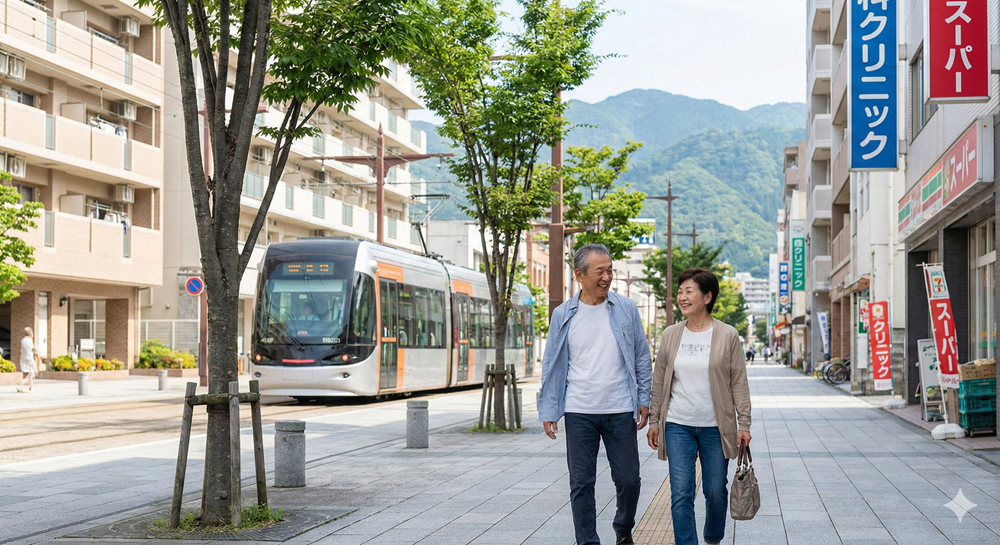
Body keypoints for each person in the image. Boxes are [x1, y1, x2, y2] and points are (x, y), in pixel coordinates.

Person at [538, 244, 652, 545]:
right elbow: (551, 363)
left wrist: (644, 398)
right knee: (581, 483)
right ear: (579, 275)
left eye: (610, 270)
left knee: (629, 479)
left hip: (620, 408)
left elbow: (642, 355)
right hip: (579, 410)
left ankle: (623, 526)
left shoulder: (626, 308)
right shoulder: (563, 314)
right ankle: (587, 541)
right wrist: (549, 410)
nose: (607, 277)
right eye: (599, 271)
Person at [646, 268, 752, 545]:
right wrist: (655, 421)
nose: (682, 297)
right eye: (680, 291)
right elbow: (660, 381)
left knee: (715, 491)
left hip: (715, 427)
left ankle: (713, 538)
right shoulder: (671, 334)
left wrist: (744, 424)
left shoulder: (727, 334)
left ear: (707, 297)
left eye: (689, 291)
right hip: (678, 425)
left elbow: (739, 382)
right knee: (681, 493)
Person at [17, 327, 39, 393]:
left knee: (29, 373)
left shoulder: (23, 340)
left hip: (23, 358)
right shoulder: (29, 340)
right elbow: (32, 349)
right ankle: (21, 385)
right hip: (29, 358)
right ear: (31, 334)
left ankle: (30, 387)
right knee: (31, 373)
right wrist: (37, 354)